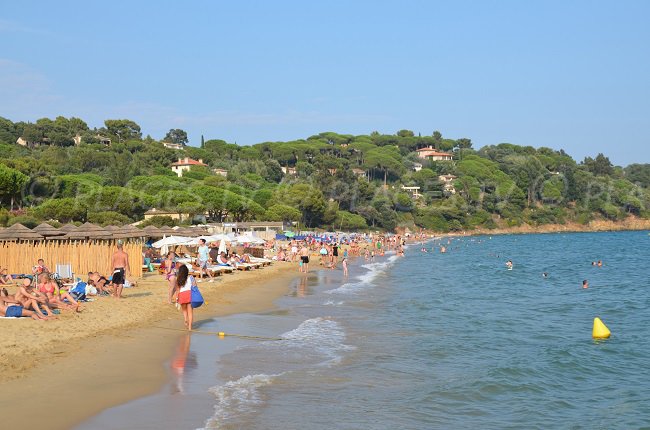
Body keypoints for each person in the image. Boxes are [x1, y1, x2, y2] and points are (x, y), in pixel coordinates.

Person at [175, 265, 195, 331]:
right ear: (187, 271)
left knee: (184, 310)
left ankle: (186, 319)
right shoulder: (191, 277)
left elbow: (177, 290)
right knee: (190, 312)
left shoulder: (178, 279)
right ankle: (189, 327)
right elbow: (195, 286)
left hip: (182, 295)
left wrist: (177, 299)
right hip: (189, 294)